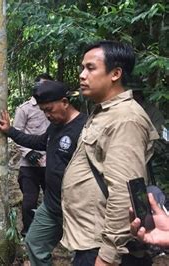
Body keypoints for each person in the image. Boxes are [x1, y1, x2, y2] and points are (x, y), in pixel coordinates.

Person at [60, 40, 159, 266]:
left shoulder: (125, 119)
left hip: (104, 249)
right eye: (82, 68)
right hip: (91, 241)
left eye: (91, 68)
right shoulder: (105, 112)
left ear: (115, 73)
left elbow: (125, 192)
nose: (82, 75)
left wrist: (106, 257)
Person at [0, 80, 86, 265]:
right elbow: (39, 142)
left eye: (50, 109)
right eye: (44, 110)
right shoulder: (55, 126)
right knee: (34, 242)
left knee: (83, 255)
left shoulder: (85, 127)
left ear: (64, 102)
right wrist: (10, 131)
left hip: (77, 207)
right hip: (52, 205)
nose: (47, 115)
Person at [12, 73, 51, 237]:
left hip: (50, 163)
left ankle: (50, 231)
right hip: (29, 165)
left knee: (53, 200)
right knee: (29, 202)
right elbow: (15, 134)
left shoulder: (54, 106)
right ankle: (27, 232)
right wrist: (28, 153)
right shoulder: (24, 109)